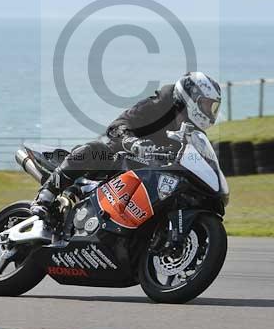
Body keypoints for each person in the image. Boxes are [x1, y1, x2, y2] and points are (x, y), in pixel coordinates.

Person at [30, 72, 222, 219]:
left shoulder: (193, 134)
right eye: (206, 105)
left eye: (212, 107)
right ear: (191, 99)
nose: (209, 111)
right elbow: (118, 125)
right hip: (119, 159)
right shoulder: (158, 105)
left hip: (150, 176)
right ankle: (45, 197)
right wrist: (132, 142)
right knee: (94, 150)